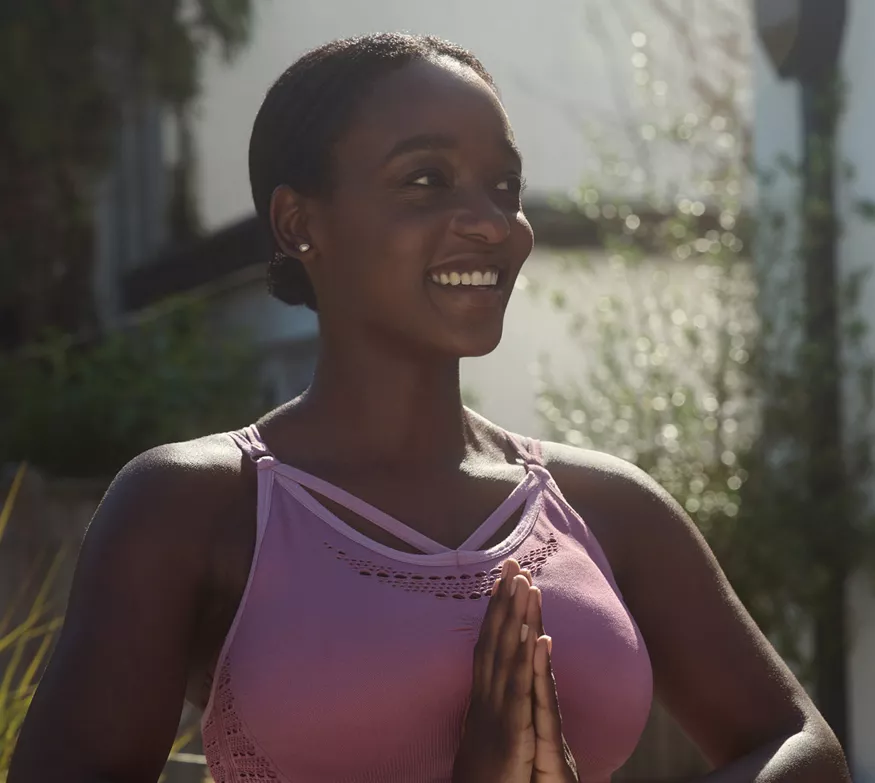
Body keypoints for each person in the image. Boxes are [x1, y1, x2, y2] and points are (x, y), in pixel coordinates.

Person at [9, 33, 850, 783]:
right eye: (425, 179)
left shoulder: (607, 507)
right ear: (299, 221)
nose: (491, 223)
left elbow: (800, 744)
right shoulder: (191, 506)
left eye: (503, 184)